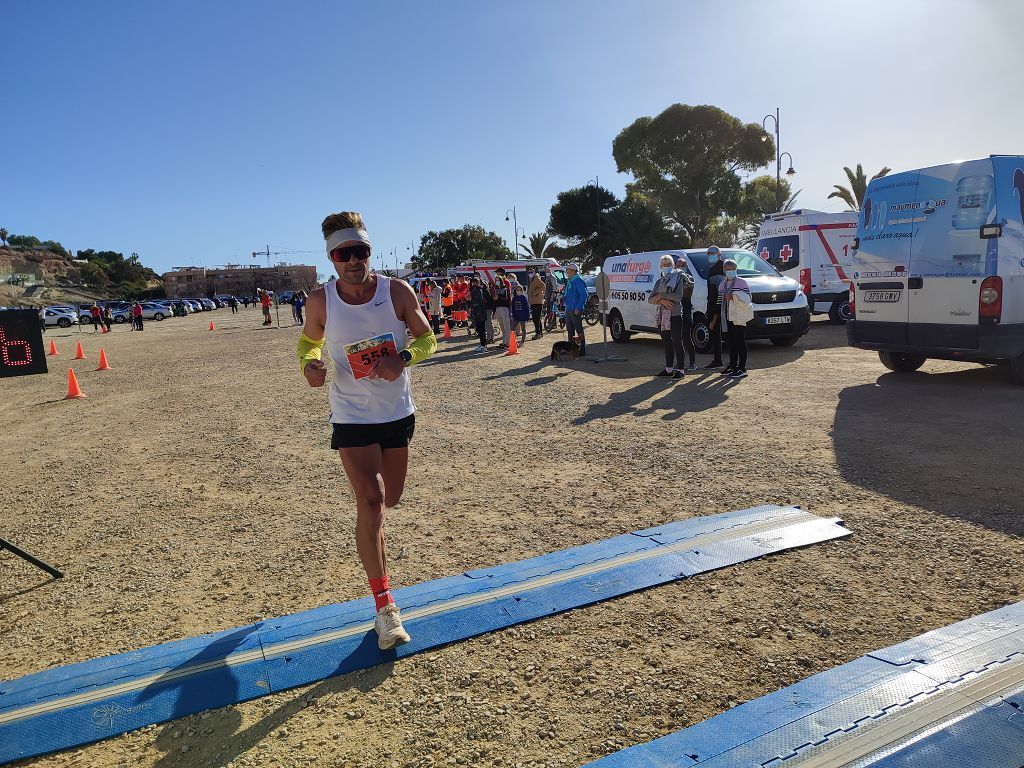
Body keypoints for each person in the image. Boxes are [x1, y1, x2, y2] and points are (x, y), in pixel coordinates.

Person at [297, 210, 437, 650]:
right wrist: (309, 366)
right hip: (351, 414)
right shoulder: (321, 301)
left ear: (369, 252)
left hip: (395, 411)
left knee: (391, 497)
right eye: (344, 253)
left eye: (360, 251)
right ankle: (385, 607)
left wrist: (404, 358)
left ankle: (372, 539)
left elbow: (428, 336)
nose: (354, 260)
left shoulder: (396, 291)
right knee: (372, 500)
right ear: (332, 258)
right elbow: (308, 342)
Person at [649, 255, 688, 379]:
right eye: (664, 265)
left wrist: (661, 295)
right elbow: (650, 299)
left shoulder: (678, 278)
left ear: (673, 266)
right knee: (666, 342)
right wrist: (662, 301)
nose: (666, 267)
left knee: (677, 341)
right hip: (663, 315)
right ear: (660, 267)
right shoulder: (658, 282)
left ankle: (681, 370)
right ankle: (669, 369)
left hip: (675, 314)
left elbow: (678, 296)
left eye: (668, 264)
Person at [719, 258, 752, 379]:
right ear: (724, 270)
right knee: (730, 342)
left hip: (739, 316)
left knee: (740, 340)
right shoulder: (722, 284)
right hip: (727, 316)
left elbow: (748, 298)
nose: (730, 271)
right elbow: (720, 301)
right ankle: (733, 365)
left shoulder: (742, 282)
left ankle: (742, 367)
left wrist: (734, 297)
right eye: (727, 269)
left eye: (732, 269)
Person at [704, 245, 725, 369]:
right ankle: (717, 360)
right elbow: (711, 293)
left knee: (719, 335)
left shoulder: (721, 268)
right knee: (715, 335)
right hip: (712, 306)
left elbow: (719, 294)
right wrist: (708, 310)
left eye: (712, 253)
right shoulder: (712, 268)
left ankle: (719, 361)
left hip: (719, 308)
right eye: (708, 253)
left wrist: (716, 315)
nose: (710, 255)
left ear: (718, 254)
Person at [675, 257, 697, 371]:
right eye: (678, 265)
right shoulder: (672, 278)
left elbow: (685, 294)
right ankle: (680, 363)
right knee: (677, 338)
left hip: (686, 311)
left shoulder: (689, 278)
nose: (680, 268)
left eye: (682, 265)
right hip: (675, 311)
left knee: (686, 337)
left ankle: (692, 362)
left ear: (686, 267)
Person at [563, 263, 588, 356]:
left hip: (575, 309)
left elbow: (584, 295)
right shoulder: (570, 281)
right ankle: (571, 349)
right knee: (570, 330)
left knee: (579, 330)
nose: (567, 272)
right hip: (568, 308)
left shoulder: (578, 281)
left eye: (568, 270)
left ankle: (582, 350)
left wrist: (579, 307)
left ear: (573, 271)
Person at [491, 268, 512, 349]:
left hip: (505, 306)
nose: (496, 274)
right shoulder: (497, 284)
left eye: (498, 273)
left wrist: (498, 297)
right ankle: (504, 342)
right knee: (502, 326)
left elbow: (507, 294)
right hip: (498, 306)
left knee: (506, 326)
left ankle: (508, 343)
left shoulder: (505, 281)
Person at [469, 274, 490, 352]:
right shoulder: (475, 290)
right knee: (479, 329)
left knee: (481, 329)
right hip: (478, 312)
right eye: (472, 282)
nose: (473, 284)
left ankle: (483, 345)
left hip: (479, 313)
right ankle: (482, 344)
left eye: (475, 282)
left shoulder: (477, 290)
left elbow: (480, 301)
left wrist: (474, 304)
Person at [528, 269, 545, 339]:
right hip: (534, 302)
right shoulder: (532, 280)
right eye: (529, 272)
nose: (530, 273)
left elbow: (543, 286)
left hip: (537, 302)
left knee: (536, 318)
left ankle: (538, 333)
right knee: (536, 318)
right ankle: (539, 333)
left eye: (531, 272)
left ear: (534, 273)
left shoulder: (536, 279)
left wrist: (535, 292)